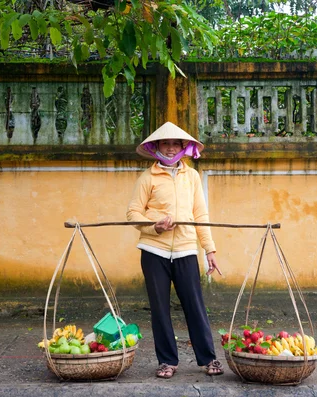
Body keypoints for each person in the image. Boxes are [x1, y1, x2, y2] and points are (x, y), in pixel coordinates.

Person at [126, 122, 224, 379]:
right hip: (153, 250)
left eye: (175, 144)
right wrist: (154, 227)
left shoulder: (191, 176)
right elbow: (133, 213)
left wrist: (209, 250)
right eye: (165, 144)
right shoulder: (148, 177)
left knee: (195, 305)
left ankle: (208, 358)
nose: (170, 149)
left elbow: (200, 214)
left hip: (185, 250)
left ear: (183, 148)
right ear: (156, 147)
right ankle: (167, 361)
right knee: (159, 308)